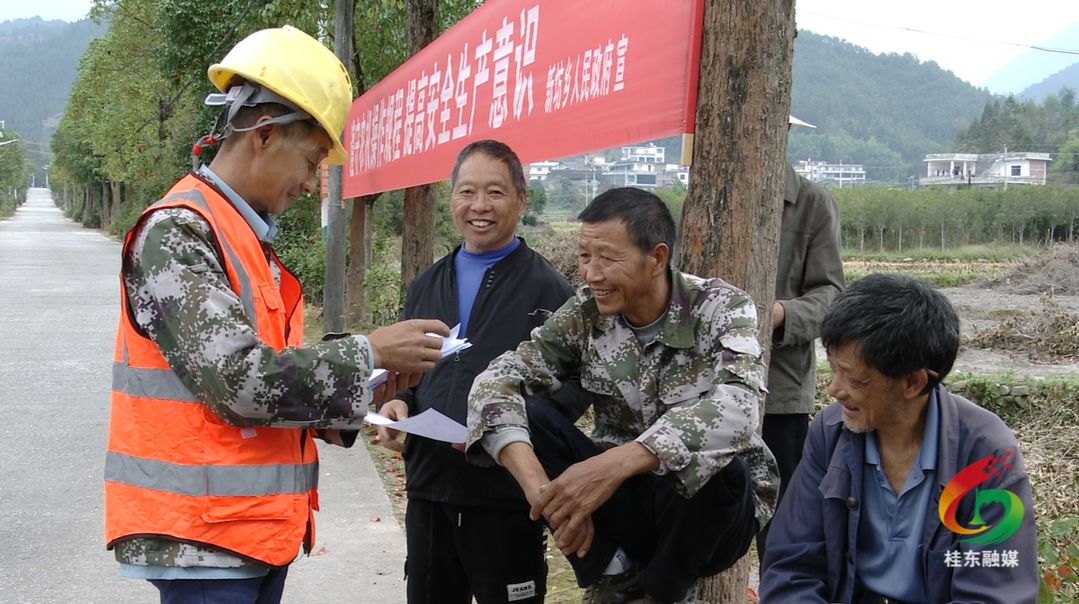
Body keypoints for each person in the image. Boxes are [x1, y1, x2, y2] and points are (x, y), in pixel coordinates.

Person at [104, 26, 449, 604]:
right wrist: (368, 351)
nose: (312, 183)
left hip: (247, 532)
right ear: (264, 134)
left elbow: (268, 380)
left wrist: (364, 389)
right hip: (205, 537)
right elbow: (238, 381)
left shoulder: (242, 237)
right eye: (311, 161)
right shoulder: (178, 232)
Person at [464, 187, 779, 604]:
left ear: (658, 258)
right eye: (584, 256)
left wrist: (613, 465)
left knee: (724, 468)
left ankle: (659, 591)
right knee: (530, 415)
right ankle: (613, 569)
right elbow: (496, 379)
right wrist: (548, 496)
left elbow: (740, 408)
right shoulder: (585, 313)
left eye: (608, 258)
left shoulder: (720, 307)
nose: (592, 274)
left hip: (707, 518)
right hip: (622, 506)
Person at [375, 139, 580, 604]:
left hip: (504, 496)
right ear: (452, 198)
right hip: (429, 488)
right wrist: (398, 403)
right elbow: (409, 370)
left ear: (521, 200)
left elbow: (574, 387)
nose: (479, 206)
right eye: (467, 191)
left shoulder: (550, 291)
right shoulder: (427, 283)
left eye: (495, 192)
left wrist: (506, 430)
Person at [760, 274, 1038, 604]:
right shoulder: (831, 431)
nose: (834, 389)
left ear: (913, 382)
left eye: (852, 377)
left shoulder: (986, 454)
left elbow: (993, 593)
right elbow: (792, 567)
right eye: (832, 368)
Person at [756, 115, 845, 563]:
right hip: (708, 386)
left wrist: (780, 314)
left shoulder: (813, 203)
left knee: (781, 517)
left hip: (780, 386)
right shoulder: (712, 194)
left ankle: (781, 587)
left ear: (784, 129)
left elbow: (832, 295)